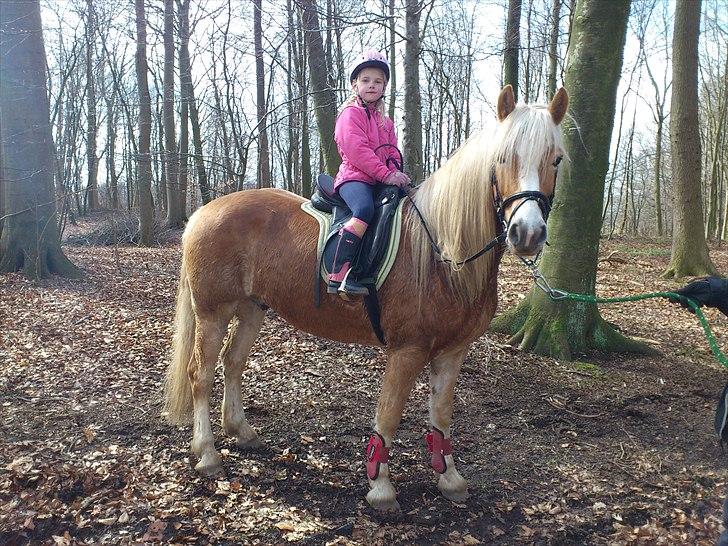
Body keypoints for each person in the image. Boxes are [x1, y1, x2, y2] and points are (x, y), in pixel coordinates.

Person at [327, 49, 411, 297]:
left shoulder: (386, 122)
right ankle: (340, 272)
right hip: (354, 178)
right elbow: (358, 151)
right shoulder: (349, 115)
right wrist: (385, 175)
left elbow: (393, 152)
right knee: (364, 210)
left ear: (384, 86)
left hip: (378, 178)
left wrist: (397, 172)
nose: (371, 85)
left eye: (377, 81)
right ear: (355, 84)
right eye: (366, 80)